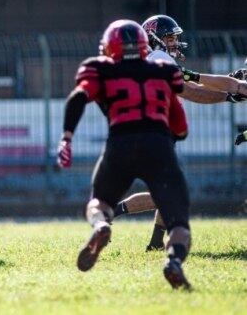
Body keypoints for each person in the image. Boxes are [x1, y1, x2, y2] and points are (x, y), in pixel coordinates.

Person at [57, 19, 192, 289]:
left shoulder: (100, 69)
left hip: (120, 144)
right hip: (158, 145)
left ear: (110, 47)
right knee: (179, 222)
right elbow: (180, 127)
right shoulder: (164, 69)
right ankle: (174, 261)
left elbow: (78, 97)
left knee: (99, 203)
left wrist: (67, 138)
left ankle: (100, 226)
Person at [113, 15, 247, 251]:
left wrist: (229, 88)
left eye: (175, 37)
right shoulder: (159, 59)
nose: (175, 42)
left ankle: (154, 243)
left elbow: (194, 84)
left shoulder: (155, 58)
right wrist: (230, 92)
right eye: (170, 37)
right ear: (155, 38)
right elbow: (190, 90)